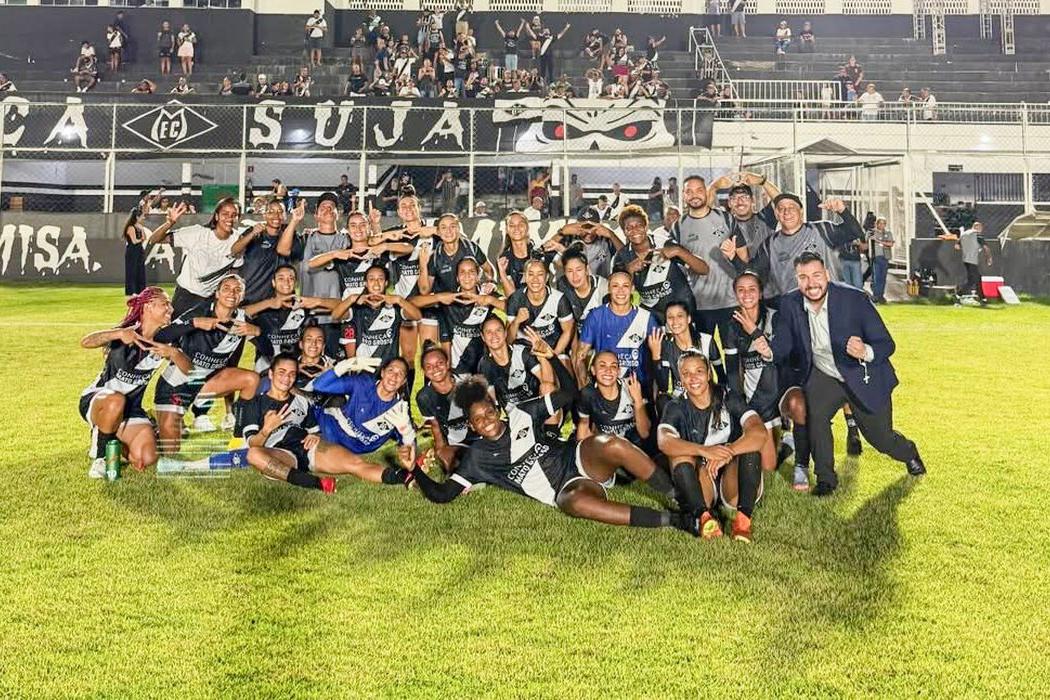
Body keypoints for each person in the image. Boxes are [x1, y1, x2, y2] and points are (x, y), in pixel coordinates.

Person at [408, 341, 698, 536]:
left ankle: (682, 499)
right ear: (471, 425)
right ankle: (674, 520)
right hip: (566, 489)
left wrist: (552, 360)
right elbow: (442, 495)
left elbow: (569, 393)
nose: (486, 421)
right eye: (478, 419)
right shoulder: (476, 459)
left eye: (488, 412)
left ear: (497, 409)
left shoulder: (521, 413)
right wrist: (413, 470)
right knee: (575, 505)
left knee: (610, 443)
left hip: (578, 459)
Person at [768, 253, 926, 495]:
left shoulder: (854, 299)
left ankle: (909, 452)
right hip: (825, 375)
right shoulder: (790, 303)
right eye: (803, 277)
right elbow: (783, 347)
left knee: (880, 438)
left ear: (827, 276)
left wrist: (866, 351)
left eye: (816, 275)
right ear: (797, 280)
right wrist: (767, 349)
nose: (811, 283)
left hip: (861, 373)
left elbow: (887, 344)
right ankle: (826, 480)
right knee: (816, 416)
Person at [79, 288, 191, 478]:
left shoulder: (166, 340)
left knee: (146, 458)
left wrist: (174, 354)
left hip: (131, 409)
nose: (170, 309)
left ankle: (110, 436)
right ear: (148, 306)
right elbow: (86, 342)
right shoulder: (127, 332)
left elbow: (190, 371)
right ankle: (100, 457)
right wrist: (117, 334)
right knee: (116, 400)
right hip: (99, 401)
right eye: (165, 304)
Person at [657, 352, 767, 541]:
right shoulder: (676, 406)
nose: (693, 378)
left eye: (699, 371)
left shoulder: (727, 396)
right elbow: (664, 441)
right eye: (686, 373)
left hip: (735, 483)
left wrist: (728, 451)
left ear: (708, 374)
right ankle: (704, 517)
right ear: (680, 378)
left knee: (751, 449)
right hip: (703, 480)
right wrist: (704, 451)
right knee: (678, 454)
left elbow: (759, 432)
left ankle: (743, 521)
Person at [152, 274, 262, 449]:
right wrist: (194, 323)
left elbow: (268, 351)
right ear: (217, 294)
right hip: (178, 383)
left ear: (242, 296)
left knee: (252, 379)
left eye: (237, 290)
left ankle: (238, 439)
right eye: (226, 288)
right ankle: (154, 426)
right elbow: (160, 337)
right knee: (170, 449)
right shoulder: (199, 311)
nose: (232, 293)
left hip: (207, 384)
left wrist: (257, 332)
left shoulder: (243, 320)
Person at [231, 354, 336, 493]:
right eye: (281, 373)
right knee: (253, 455)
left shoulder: (301, 401)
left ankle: (282, 472)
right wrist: (266, 430)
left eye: (292, 374)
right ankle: (318, 483)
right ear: (270, 373)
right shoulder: (254, 404)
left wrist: (316, 435)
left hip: (301, 451)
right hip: (274, 452)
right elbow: (253, 444)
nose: (286, 378)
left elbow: (315, 429)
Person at [308, 357, 417, 474]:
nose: (394, 377)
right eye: (391, 370)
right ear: (382, 372)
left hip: (350, 449)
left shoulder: (399, 410)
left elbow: (409, 447)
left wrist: (407, 434)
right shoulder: (363, 383)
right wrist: (343, 366)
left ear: (404, 381)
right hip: (327, 426)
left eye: (400, 374)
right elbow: (319, 385)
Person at [747, 193, 863, 300]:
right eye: (781, 209)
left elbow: (855, 232)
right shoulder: (769, 245)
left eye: (792, 208)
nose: (786, 212)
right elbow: (755, 274)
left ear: (801, 211)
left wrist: (842, 210)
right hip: (793, 310)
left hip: (826, 305)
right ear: (777, 214)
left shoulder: (821, 230)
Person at [723, 271, 784, 472]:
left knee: (769, 465)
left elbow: (779, 356)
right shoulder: (731, 325)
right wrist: (738, 403)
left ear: (760, 294)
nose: (746, 294)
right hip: (752, 397)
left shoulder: (775, 317)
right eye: (741, 290)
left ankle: (787, 434)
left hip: (776, 393)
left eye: (752, 289)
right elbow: (732, 369)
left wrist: (755, 332)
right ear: (735, 294)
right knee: (766, 466)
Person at [146, 198, 243, 317]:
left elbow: (234, 269)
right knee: (176, 334)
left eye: (234, 215)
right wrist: (169, 223)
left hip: (210, 300)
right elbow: (154, 239)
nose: (229, 218)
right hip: (186, 296)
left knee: (205, 335)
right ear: (216, 216)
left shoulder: (239, 241)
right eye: (225, 214)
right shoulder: (197, 233)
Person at [612, 205, 706, 323]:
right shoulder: (622, 256)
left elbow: (704, 269)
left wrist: (679, 251)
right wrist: (629, 270)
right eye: (629, 228)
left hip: (681, 308)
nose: (634, 230)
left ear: (646, 227)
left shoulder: (664, 243)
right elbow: (617, 292)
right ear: (624, 231)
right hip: (653, 313)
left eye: (639, 226)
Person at [412, 257, 505, 378]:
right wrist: (438, 297)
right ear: (457, 278)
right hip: (457, 368)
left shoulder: (486, 294)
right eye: (462, 272)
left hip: (483, 365)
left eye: (471, 272)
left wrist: (489, 300)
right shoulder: (449, 296)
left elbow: (513, 308)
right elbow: (412, 302)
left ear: (478, 276)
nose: (467, 276)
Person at [674, 175, 736, 338]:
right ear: (684, 195)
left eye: (699, 190)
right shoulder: (679, 226)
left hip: (729, 300)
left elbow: (743, 255)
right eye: (689, 191)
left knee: (733, 352)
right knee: (705, 352)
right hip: (699, 302)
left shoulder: (725, 218)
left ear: (706, 193)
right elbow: (677, 264)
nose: (694, 195)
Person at [243, 265, 337, 372]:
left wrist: (318, 301)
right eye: (281, 278)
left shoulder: (303, 305)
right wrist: (269, 303)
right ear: (273, 283)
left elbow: (340, 306)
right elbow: (237, 313)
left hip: (295, 368)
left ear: (295, 283)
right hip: (266, 367)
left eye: (291, 278)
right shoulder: (262, 307)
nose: (286, 282)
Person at [576, 269, 659, 390]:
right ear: (608, 289)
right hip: (607, 387)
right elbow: (580, 356)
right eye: (615, 286)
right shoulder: (596, 316)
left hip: (639, 387)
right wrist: (584, 386)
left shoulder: (647, 318)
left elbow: (658, 358)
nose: (620, 290)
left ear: (632, 289)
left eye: (625, 286)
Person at [330, 264, 422, 366]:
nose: (376, 283)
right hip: (364, 370)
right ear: (365, 283)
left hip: (387, 371)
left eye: (380, 279)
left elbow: (417, 316)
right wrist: (351, 299)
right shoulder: (357, 308)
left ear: (386, 283)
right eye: (371, 279)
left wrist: (399, 300)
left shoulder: (394, 308)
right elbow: (335, 316)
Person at [299, 192, 350, 358]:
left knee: (335, 366)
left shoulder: (347, 240)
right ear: (315, 214)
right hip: (310, 315)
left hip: (337, 315)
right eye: (323, 207)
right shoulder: (306, 237)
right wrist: (294, 221)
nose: (328, 210)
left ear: (338, 213)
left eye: (332, 207)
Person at [230, 198, 305, 306]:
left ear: (285, 215)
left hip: (276, 303)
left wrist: (294, 221)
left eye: (280, 212)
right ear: (264, 215)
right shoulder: (255, 232)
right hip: (249, 297)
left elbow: (282, 250)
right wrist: (252, 234)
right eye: (271, 212)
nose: (276, 216)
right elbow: (234, 251)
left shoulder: (292, 235)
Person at [578, 352, 652, 456]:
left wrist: (638, 401)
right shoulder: (587, 394)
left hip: (636, 450)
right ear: (593, 370)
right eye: (602, 365)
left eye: (613, 366)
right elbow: (584, 425)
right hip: (607, 450)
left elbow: (644, 433)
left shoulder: (631, 387)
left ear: (618, 371)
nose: (608, 371)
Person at [650, 300, 721, 407]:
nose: (675, 321)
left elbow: (722, 377)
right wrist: (656, 357)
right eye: (670, 317)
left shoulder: (706, 341)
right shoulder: (667, 346)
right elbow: (663, 386)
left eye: (680, 316)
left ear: (688, 319)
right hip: (680, 398)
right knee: (662, 401)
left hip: (704, 394)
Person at [506, 259, 575, 361]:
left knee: (564, 364)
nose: (535, 279)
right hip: (525, 352)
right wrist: (516, 322)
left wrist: (553, 356)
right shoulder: (516, 299)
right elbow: (509, 340)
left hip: (552, 349)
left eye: (540, 274)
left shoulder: (559, 299)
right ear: (525, 277)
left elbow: (568, 331)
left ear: (547, 277)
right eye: (531, 274)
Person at [121, 197, 151, 297]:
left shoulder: (139, 227)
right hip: (132, 250)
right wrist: (141, 238)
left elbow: (144, 237)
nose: (143, 218)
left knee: (140, 269)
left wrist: (142, 230)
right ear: (136, 217)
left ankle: (140, 289)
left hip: (139, 250)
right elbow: (134, 241)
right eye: (141, 216)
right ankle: (131, 290)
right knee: (132, 270)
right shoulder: (130, 227)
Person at [956, 221, 992, 302]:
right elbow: (986, 248)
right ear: (978, 227)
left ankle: (982, 297)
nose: (981, 230)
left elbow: (957, 246)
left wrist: (968, 248)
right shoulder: (977, 235)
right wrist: (989, 258)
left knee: (978, 278)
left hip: (965, 259)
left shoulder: (964, 234)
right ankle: (958, 294)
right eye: (981, 228)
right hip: (972, 260)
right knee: (973, 280)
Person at [869, 216, 895, 303]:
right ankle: (876, 295)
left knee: (883, 277)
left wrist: (879, 241)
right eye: (880, 223)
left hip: (885, 257)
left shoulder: (888, 233)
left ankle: (881, 295)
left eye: (884, 223)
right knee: (876, 277)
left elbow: (890, 243)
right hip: (875, 257)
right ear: (877, 224)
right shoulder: (873, 233)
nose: (882, 225)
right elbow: (867, 241)